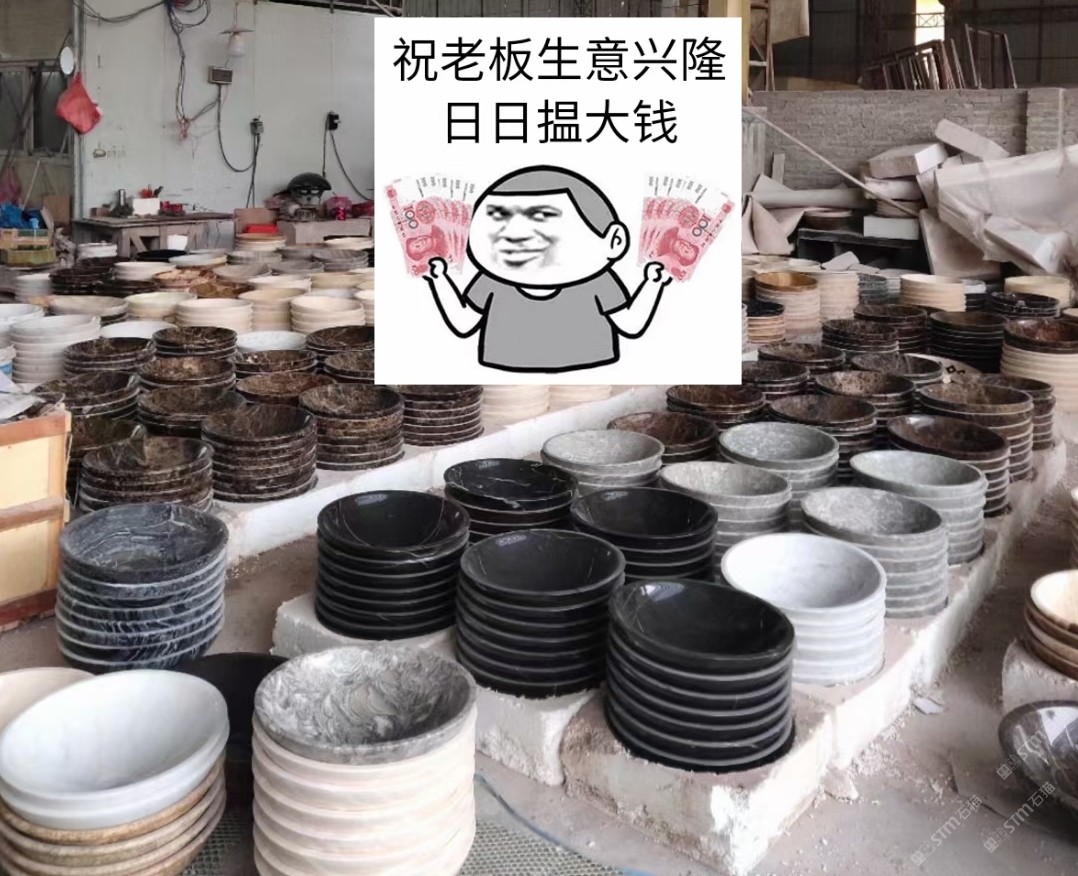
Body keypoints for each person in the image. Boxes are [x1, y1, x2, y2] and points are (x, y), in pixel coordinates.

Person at [422, 165, 671, 373]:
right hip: (505, 376)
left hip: (591, 373)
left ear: (613, 242)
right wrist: (439, 279)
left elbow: (630, 324)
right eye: (498, 216)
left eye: (542, 216)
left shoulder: (598, 282)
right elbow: (464, 323)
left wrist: (653, 283)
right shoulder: (492, 281)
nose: (515, 234)